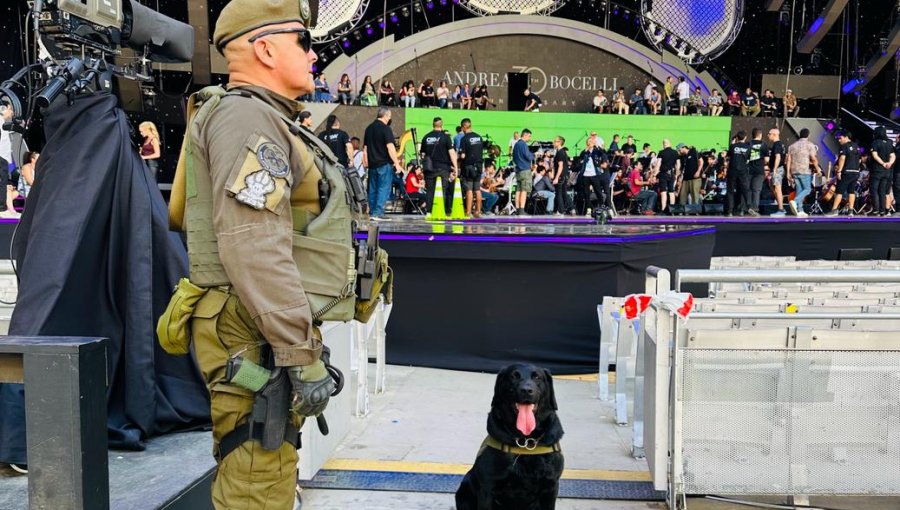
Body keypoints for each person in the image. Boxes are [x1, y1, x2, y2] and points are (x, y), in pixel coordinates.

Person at [187, 2, 337, 506]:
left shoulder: (264, 117)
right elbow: (253, 244)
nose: (315, 55)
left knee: (267, 458)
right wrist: (299, 350)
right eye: (305, 41)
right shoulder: (247, 116)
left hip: (260, 328)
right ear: (266, 48)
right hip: (252, 331)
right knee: (257, 465)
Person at [363, 108, 403, 220]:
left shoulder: (369, 129)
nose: (390, 119)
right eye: (389, 116)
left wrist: (365, 162)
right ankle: (378, 213)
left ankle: (372, 212)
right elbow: (390, 147)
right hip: (384, 165)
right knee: (383, 188)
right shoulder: (386, 129)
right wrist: (397, 163)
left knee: (372, 189)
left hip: (372, 165)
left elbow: (365, 148)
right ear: (386, 116)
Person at [420, 117, 458, 216]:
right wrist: (456, 168)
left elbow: (422, 154)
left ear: (433, 124)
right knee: (443, 189)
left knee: (430, 190)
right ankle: (440, 211)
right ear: (441, 125)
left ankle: (429, 212)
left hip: (429, 168)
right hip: (443, 168)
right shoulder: (446, 137)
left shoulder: (426, 137)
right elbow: (452, 153)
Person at [785, 128, 819, 217]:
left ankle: (800, 210)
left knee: (799, 190)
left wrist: (788, 172)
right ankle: (795, 202)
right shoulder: (810, 145)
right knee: (807, 189)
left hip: (794, 170)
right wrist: (818, 169)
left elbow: (788, 160)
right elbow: (813, 158)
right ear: (808, 135)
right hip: (804, 170)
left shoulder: (792, 146)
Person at [826, 131, 861, 216]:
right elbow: (859, 160)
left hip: (846, 172)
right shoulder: (856, 146)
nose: (839, 140)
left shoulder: (844, 146)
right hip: (855, 172)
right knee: (851, 191)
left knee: (839, 192)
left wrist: (839, 171)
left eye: (840, 138)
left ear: (846, 137)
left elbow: (842, 158)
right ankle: (851, 211)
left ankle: (834, 210)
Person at [458, 118, 485, 217]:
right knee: (477, 189)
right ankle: (478, 211)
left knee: (469, 189)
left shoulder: (464, 139)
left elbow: (463, 156)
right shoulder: (479, 137)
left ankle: (468, 212)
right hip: (478, 165)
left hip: (468, 166)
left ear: (463, 127)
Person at [578, 135, 610, 215]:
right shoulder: (585, 151)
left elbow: (603, 153)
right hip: (586, 175)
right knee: (587, 192)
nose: (590, 143)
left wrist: (597, 146)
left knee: (598, 191)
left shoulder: (596, 151)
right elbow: (580, 157)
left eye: (591, 141)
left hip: (594, 174)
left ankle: (602, 206)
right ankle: (588, 209)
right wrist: (586, 150)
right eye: (589, 141)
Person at [870, 126, 895, 216]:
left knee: (874, 190)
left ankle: (875, 210)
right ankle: (882, 210)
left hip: (877, 170)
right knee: (882, 191)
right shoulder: (889, 142)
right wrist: (889, 163)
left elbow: (875, 155)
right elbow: (893, 155)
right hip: (887, 171)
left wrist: (883, 163)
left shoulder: (875, 142)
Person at [726, 131, 753, 216]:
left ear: (737, 138)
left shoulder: (732, 146)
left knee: (730, 191)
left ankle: (730, 211)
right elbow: (748, 159)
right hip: (743, 171)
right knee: (745, 189)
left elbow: (728, 156)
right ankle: (749, 207)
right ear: (745, 137)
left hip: (732, 170)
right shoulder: (748, 147)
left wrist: (732, 144)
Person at [512, 129, 535, 215]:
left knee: (518, 190)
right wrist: (534, 155)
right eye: (529, 136)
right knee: (524, 190)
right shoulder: (523, 144)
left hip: (518, 170)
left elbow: (513, 157)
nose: (529, 138)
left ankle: (518, 209)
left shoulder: (516, 144)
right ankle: (522, 210)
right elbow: (528, 156)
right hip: (525, 170)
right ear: (525, 135)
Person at [746, 128, 768, 215]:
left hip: (749, 170)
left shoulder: (748, 144)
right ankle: (755, 208)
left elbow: (746, 158)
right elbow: (766, 159)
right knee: (756, 190)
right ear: (760, 135)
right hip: (759, 170)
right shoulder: (764, 144)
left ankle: (747, 207)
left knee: (748, 189)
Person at [654, 139, 679, 214]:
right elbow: (678, 165)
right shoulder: (675, 152)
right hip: (672, 174)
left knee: (663, 192)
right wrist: (676, 175)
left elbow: (658, 164)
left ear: (663, 144)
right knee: (671, 191)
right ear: (670, 144)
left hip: (663, 174)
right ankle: (672, 209)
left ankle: (663, 209)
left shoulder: (661, 152)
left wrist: (654, 175)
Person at [766, 128, 787, 217]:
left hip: (777, 169)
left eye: (769, 133)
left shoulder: (777, 144)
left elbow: (778, 157)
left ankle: (781, 209)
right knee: (773, 187)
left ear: (774, 134)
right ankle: (781, 206)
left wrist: (774, 169)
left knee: (777, 188)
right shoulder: (779, 145)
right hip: (777, 169)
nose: (768, 135)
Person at [552, 136, 574, 215]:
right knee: (564, 193)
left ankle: (561, 211)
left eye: (555, 141)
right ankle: (572, 207)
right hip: (564, 175)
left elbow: (560, 166)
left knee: (559, 193)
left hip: (561, 176)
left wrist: (556, 177)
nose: (553, 142)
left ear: (559, 142)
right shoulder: (562, 152)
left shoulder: (560, 152)